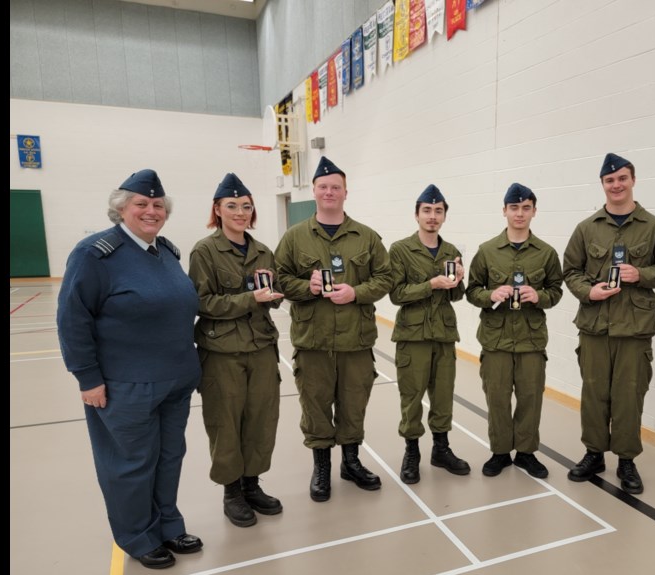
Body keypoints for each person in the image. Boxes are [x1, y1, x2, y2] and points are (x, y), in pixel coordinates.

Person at [57, 169, 203, 570]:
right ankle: (138, 536)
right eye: (141, 204)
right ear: (121, 209)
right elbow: (73, 319)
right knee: (130, 463)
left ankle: (168, 525)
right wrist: (87, 378)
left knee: (169, 456)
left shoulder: (166, 252)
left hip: (174, 380)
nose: (151, 211)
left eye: (158, 205)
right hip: (125, 385)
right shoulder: (95, 254)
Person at [273, 157, 393, 502]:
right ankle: (322, 467)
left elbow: (385, 278)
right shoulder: (295, 238)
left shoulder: (366, 237)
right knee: (316, 404)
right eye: (323, 187)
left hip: (356, 338)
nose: (329, 192)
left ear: (345, 193)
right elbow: (279, 280)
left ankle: (351, 462)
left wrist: (356, 292)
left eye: (335, 187)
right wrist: (305, 288)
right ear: (313, 191)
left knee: (354, 403)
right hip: (314, 340)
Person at [562, 153, 655, 494]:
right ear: (603, 185)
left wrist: (640, 274)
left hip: (635, 328)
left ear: (632, 181)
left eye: (622, 178)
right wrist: (589, 291)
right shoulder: (586, 228)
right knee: (594, 393)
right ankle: (594, 454)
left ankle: (627, 460)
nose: (616, 185)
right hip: (595, 326)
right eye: (610, 180)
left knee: (629, 396)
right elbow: (570, 271)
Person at [189, 173, 285, 528]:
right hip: (222, 351)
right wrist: (251, 298)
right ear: (217, 209)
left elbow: (269, 297)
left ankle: (252, 484)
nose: (240, 212)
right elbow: (202, 302)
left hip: (260, 346)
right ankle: (232, 492)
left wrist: (275, 296)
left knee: (262, 418)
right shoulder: (205, 250)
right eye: (232, 206)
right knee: (225, 422)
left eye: (246, 206)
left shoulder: (262, 251)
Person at [465, 183, 563, 479]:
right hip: (496, 338)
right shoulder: (487, 251)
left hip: (531, 339)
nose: (519, 213)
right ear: (504, 211)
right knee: (496, 397)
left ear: (534, 211)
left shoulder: (546, 253)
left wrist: (540, 296)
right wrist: (491, 295)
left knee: (531, 396)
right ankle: (499, 452)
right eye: (514, 208)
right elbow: (471, 291)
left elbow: (556, 290)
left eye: (526, 208)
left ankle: (526, 453)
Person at [388, 184, 470, 484]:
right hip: (413, 336)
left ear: (444, 216)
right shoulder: (400, 249)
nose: (432, 217)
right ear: (417, 215)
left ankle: (441, 448)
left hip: (444, 334)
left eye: (438, 211)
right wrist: (431, 285)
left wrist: (459, 281)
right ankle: (412, 452)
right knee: (412, 397)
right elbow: (396, 294)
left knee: (444, 395)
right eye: (427, 211)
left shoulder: (452, 252)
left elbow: (457, 295)